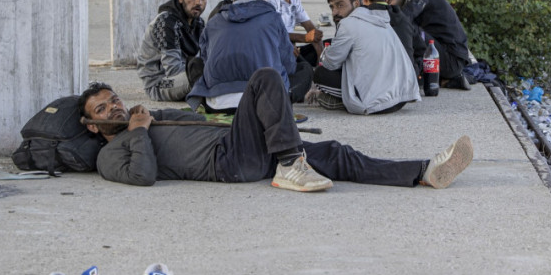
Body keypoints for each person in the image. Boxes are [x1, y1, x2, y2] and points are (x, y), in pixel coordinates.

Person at [80, 69, 473, 191]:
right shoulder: (110, 154)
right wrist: (136, 130)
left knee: (337, 154)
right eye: (103, 108)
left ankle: (423, 171)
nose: (114, 106)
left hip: (243, 147)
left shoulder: (148, 119)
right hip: (228, 162)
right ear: (93, 126)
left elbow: (202, 123)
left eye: (114, 99)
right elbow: (143, 175)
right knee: (266, 78)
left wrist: (268, 125)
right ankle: (290, 162)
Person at [312, 0, 421, 115]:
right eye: (332, 7)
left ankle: (343, 100)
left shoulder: (350, 24)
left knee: (319, 73)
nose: (335, 12)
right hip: (402, 97)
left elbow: (331, 63)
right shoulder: (389, 18)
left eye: (340, 5)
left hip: (376, 102)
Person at [187, 0, 302, 112]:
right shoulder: (273, 18)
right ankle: (284, 102)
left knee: (194, 63)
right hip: (264, 106)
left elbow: (206, 60)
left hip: (217, 105)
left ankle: (202, 103)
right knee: (304, 69)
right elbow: (288, 64)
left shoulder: (214, 21)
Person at [389, 0, 471, 90]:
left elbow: (404, 20)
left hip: (451, 60)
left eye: (390, 2)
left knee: (407, 28)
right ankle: (442, 80)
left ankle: (412, 76)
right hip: (447, 58)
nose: (391, 7)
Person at [137, 0, 209, 101]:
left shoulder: (199, 23)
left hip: (184, 77)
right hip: (160, 84)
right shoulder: (166, 22)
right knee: (201, 72)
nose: (199, 2)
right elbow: (173, 70)